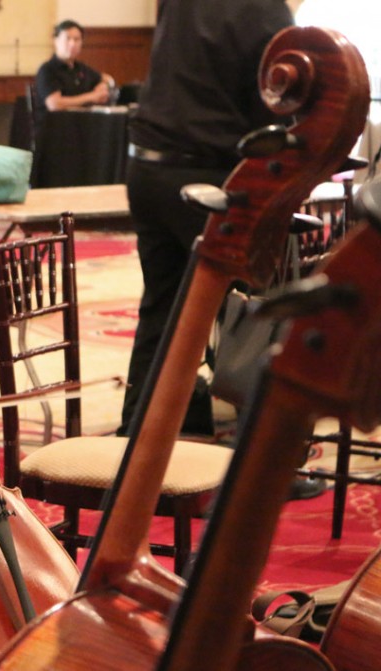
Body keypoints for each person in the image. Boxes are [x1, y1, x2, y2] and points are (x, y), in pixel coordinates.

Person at [116, 0, 324, 498]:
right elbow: (278, 104)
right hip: (208, 173)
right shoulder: (265, 10)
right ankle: (265, 461)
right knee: (267, 305)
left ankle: (142, 436)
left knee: (164, 304)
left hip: (147, 166)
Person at [34, 19, 114, 112]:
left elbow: (107, 78)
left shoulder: (81, 68)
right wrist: (91, 97)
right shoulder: (47, 69)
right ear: (56, 41)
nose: (72, 44)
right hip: (56, 123)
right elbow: (55, 104)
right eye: (67, 39)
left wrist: (103, 85)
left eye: (77, 39)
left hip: (82, 121)